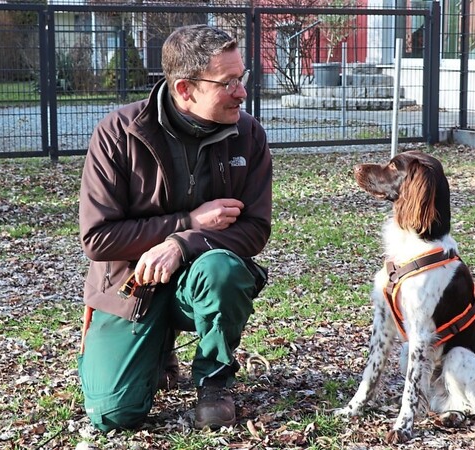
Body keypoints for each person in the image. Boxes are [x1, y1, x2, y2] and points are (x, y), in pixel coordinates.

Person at [77, 24, 272, 433]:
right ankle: (155, 349)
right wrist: (188, 221)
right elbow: (97, 238)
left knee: (223, 269)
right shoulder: (119, 133)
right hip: (131, 285)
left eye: (243, 78)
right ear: (185, 89)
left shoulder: (248, 134)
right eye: (229, 82)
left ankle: (214, 382)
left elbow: (255, 229)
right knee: (114, 415)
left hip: (200, 280)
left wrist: (182, 243)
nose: (242, 91)